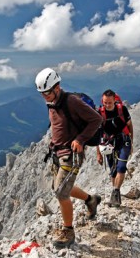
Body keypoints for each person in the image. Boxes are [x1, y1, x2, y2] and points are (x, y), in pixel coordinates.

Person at [36, 67, 102, 248]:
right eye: (42, 93)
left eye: (47, 92)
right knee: (63, 186)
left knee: (60, 192)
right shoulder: (52, 102)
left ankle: (68, 231)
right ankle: (91, 200)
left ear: (57, 87)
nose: (44, 96)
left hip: (72, 155)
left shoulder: (71, 101)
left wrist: (80, 139)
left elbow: (96, 119)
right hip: (58, 153)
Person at [95, 89, 134, 207]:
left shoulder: (122, 110)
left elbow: (130, 125)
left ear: (114, 101)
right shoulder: (100, 113)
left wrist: (131, 142)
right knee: (113, 171)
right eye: (105, 102)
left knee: (121, 167)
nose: (107, 105)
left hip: (124, 140)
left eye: (109, 103)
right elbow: (97, 134)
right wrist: (98, 153)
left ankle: (116, 191)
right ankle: (115, 193)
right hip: (109, 144)